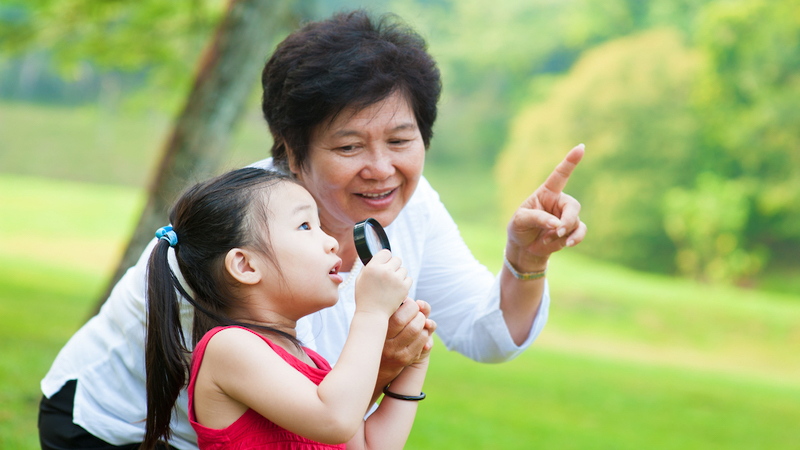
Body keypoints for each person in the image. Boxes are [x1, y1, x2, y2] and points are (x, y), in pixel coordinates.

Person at [39, 10, 586, 449]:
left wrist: (526, 261)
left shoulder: (413, 208)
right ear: (292, 151)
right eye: (349, 146)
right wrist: (385, 357)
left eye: (400, 140)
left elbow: (488, 334)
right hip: (115, 429)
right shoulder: (245, 230)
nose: (381, 168)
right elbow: (317, 412)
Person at [142, 167, 429, 449]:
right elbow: (335, 420)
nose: (331, 242)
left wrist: (413, 362)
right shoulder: (227, 347)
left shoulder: (312, 362)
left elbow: (365, 445)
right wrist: (372, 312)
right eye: (305, 226)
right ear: (245, 265)